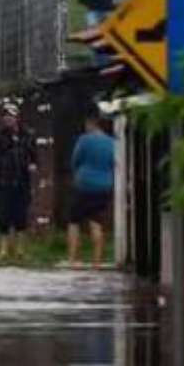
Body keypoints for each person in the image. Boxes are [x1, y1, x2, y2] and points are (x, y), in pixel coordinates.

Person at [0, 101, 38, 261]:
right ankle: (4, 250)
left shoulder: (27, 135)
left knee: (21, 214)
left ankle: (21, 250)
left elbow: (33, 155)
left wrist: (32, 164)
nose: (8, 119)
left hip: (21, 180)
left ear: (17, 118)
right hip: (3, 180)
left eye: (11, 116)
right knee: (3, 215)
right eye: (6, 116)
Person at [65, 110, 117, 269]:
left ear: (91, 124)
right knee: (96, 222)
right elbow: (114, 163)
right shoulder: (112, 142)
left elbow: (75, 160)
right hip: (105, 185)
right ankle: (97, 262)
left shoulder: (84, 140)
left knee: (74, 222)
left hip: (84, 184)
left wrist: (77, 174)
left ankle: (73, 259)